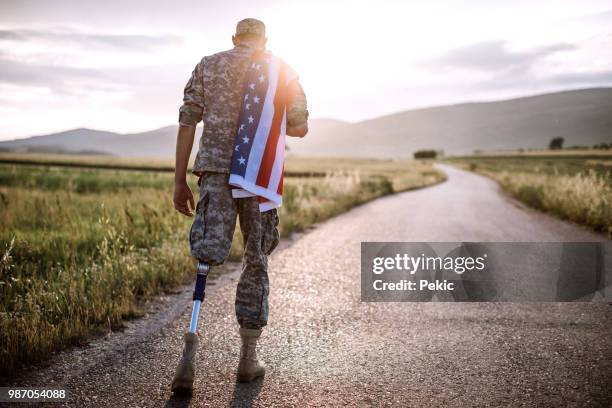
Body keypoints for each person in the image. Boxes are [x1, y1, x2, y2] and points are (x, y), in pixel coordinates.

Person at [171, 18, 308, 393]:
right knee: (256, 258)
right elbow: (299, 127)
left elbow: (187, 122)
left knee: (205, 257)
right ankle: (247, 360)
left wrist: (179, 178)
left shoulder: (208, 65)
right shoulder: (280, 70)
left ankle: (188, 360)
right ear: (264, 40)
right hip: (257, 177)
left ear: (234, 39)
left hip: (214, 173)